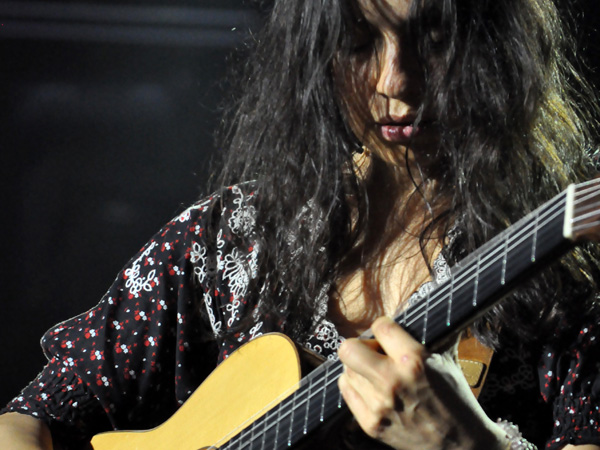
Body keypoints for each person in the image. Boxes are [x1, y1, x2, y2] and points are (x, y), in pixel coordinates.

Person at [1, 0, 600, 448]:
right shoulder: (231, 239)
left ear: (494, 49)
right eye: (360, 40)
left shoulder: (569, 282)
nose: (396, 81)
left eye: (436, 38)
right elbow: (29, 418)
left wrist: (467, 444)